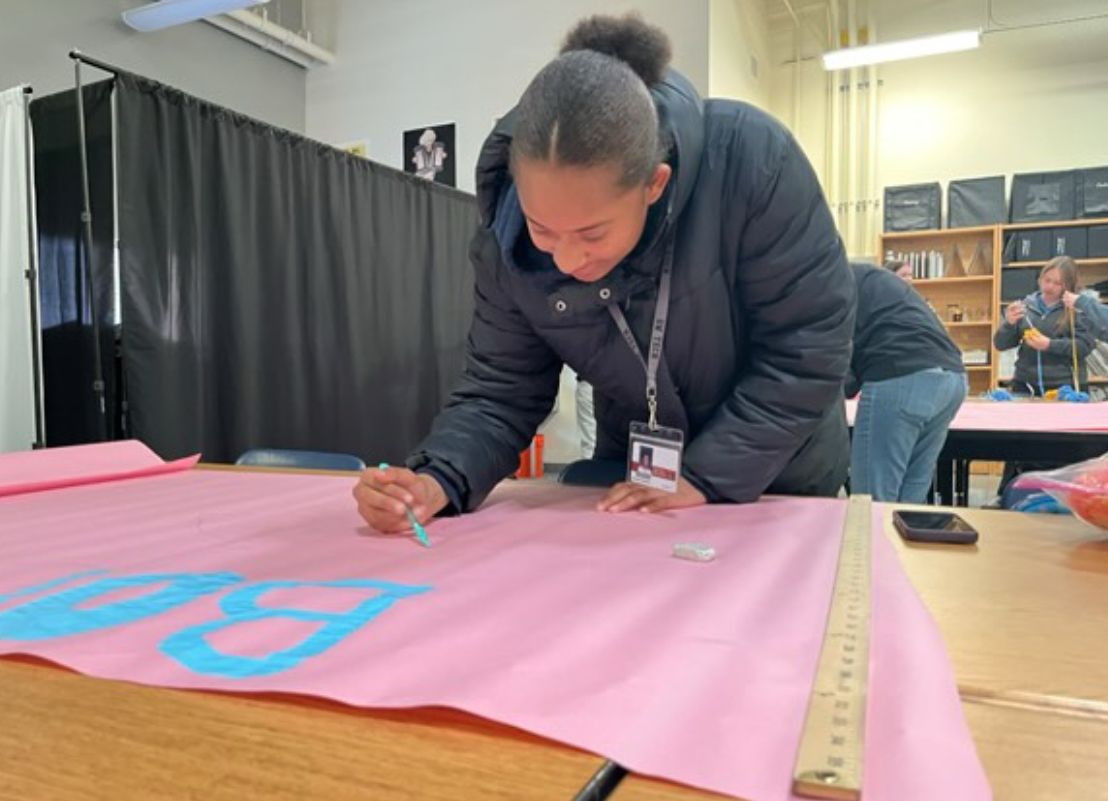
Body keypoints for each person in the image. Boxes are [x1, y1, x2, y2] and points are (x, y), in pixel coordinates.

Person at [354, 13, 854, 533]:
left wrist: (710, 476)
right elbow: (502, 389)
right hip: (634, 475)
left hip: (774, 473)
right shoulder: (505, 233)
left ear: (654, 185)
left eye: (592, 234)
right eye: (542, 229)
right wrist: (438, 478)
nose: (567, 260)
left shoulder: (753, 162)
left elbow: (808, 348)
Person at [846, 263, 967, 503]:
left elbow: (831, 362)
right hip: (953, 377)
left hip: (901, 375)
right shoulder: (869, 276)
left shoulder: (824, 287)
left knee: (872, 502)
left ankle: (877, 542)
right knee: (911, 496)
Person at [993, 256, 1094, 396]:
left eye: (1058, 283)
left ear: (1069, 286)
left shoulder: (1078, 309)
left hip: (1066, 387)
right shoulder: (1025, 307)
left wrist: (1049, 345)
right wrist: (1009, 324)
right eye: (1047, 280)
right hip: (1026, 385)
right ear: (1040, 279)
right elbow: (1000, 344)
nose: (1049, 286)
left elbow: (1085, 346)